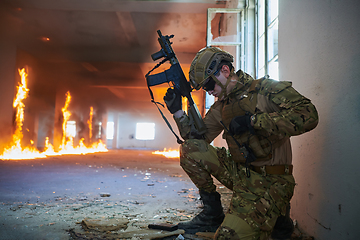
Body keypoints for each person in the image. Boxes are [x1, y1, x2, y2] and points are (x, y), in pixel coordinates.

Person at [163, 47, 319, 240]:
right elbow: (196, 140)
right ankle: (212, 214)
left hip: (271, 182)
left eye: (209, 83)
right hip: (241, 174)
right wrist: (177, 112)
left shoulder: (266, 89)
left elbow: (309, 115)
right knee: (190, 149)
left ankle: (278, 218)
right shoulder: (222, 106)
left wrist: (253, 121)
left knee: (228, 237)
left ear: (225, 71)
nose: (209, 91)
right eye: (205, 87)